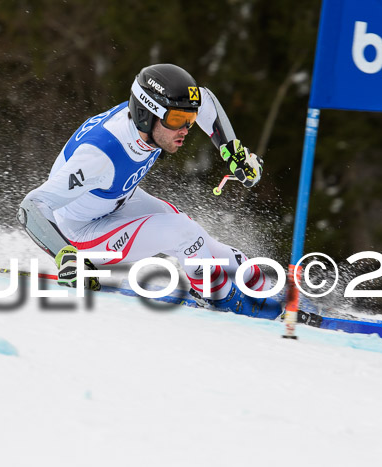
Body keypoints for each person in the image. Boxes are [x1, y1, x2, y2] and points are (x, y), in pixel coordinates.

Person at [17, 63, 281, 320]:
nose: (185, 130)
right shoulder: (99, 155)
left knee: (199, 238)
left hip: (116, 202)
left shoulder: (152, 121)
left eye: (188, 119)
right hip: (79, 233)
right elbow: (31, 207)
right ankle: (222, 299)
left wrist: (232, 151)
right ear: (146, 114)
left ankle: (261, 286)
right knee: (184, 234)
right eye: (178, 120)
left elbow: (205, 101)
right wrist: (65, 255)